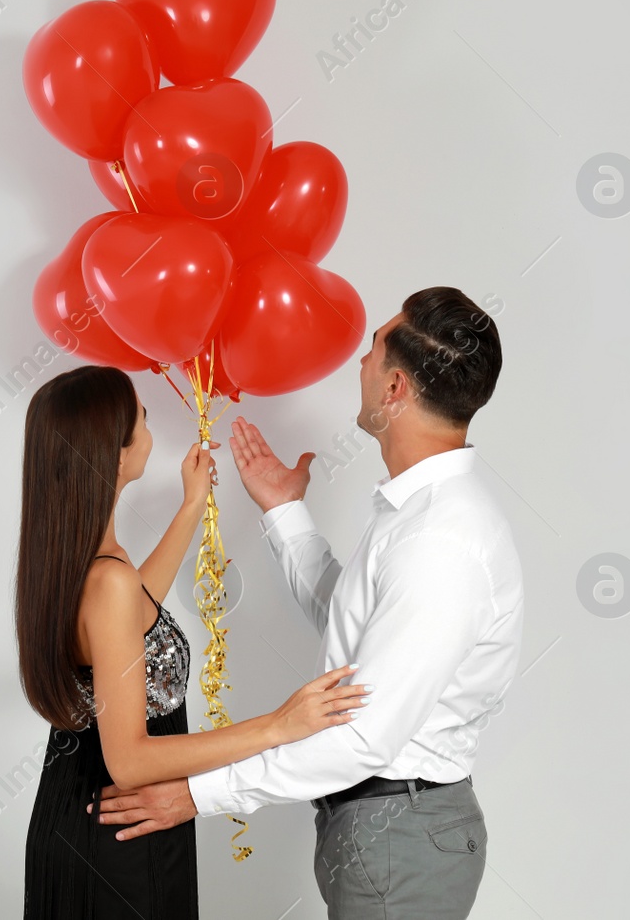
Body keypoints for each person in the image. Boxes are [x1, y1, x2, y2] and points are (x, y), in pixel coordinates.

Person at [93, 286, 523, 919]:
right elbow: (354, 628)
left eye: (374, 348)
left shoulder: (441, 540)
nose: (361, 362)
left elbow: (366, 739)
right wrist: (284, 510)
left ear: (396, 388)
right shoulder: (417, 517)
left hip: (399, 835)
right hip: (383, 828)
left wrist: (197, 795)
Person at [17, 364, 371, 919]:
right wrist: (278, 725)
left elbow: (135, 612)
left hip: (90, 813)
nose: (149, 419)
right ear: (113, 453)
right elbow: (130, 760)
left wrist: (190, 505)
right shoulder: (106, 579)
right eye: (142, 414)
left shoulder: (80, 565)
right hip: (120, 829)